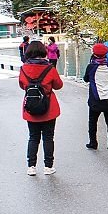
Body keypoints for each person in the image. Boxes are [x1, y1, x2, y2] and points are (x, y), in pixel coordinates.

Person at [19, 40, 64, 176]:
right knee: (48, 137)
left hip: (31, 107)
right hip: (48, 108)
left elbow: (22, 86)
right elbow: (58, 85)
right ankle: (48, 166)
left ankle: (31, 166)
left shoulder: (23, 69)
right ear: (43, 52)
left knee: (33, 137)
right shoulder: (49, 68)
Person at [83, 43, 108, 151]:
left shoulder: (91, 67)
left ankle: (93, 142)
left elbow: (86, 79)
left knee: (92, 121)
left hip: (95, 99)